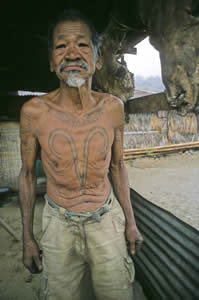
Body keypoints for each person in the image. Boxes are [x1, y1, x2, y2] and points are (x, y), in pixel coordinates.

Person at [19, 9, 143, 300]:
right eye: (61, 46)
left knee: (117, 293)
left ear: (98, 60)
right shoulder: (34, 113)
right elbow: (25, 175)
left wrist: (131, 222)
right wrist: (27, 237)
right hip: (58, 224)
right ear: (52, 62)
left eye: (83, 44)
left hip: (107, 219)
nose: (72, 53)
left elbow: (118, 166)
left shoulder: (113, 107)